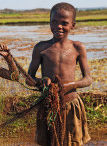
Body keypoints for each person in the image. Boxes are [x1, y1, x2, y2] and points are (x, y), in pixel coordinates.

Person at [28, 2, 92, 146]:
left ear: (73, 25)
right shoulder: (41, 48)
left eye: (64, 23)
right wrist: (42, 81)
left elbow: (88, 79)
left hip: (71, 104)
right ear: (49, 23)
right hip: (48, 104)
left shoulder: (78, 47)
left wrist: (69, 85)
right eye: (54, 22)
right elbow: (28, 78)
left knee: (72, 141)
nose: (58, 26)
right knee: (50, 141)